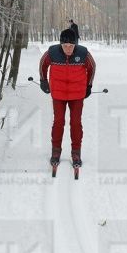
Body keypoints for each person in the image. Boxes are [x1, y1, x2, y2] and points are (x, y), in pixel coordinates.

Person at [39, 28, 95, 167]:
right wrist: (43, 81)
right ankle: (56, 151)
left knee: (75, 123)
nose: (68, 49)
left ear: (75, 44)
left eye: (71, 46)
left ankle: (76, 152)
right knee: (59, 122)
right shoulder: (52, 53)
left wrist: (88, 86)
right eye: (65, 46)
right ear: (61, 44)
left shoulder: (83, 54)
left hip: (77, 95)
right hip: (58, 94)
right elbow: (42, 64)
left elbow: (92, 67)